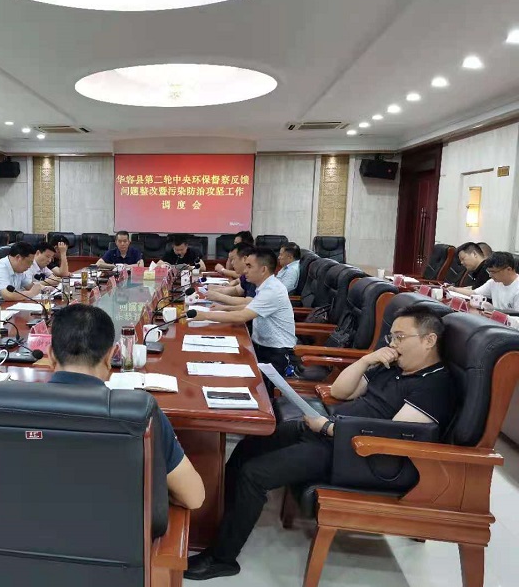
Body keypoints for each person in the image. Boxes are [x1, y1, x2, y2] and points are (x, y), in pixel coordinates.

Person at [186, 306, 456, 580]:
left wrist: (328, 428)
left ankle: (222, 558)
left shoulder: (434, 386)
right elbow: (340, 390)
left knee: (254, 474)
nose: (393, 344)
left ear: (429, 340)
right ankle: (220, 519)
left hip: (357, 455)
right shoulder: (393, 367)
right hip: (332, 433)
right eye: (392, 337)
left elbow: (394, 436)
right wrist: (367, 360)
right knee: (251, 445)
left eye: (400, 337)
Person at [48, 304, 205, 522]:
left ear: (50, 354)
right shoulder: (140, 413)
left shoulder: (9, 406)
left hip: (31, 533)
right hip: (117, 534)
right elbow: (194, 497)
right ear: (110, 356)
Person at [193, 247, 296, 387]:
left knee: (239, 382)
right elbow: (250, 307)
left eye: (249, 266)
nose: (245, 270)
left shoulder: (272, 290)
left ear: (263, 269)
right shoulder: (265, 286)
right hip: (261, 346)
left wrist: (204, 315)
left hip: (276, 354)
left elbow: (242, 316)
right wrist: (225, 308)